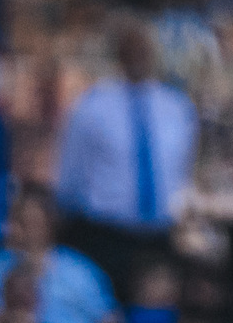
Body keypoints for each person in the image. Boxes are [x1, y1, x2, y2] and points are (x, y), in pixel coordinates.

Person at [53, 17, 199, 290]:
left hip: (158, 237)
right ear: (119, 52)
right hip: (105, 235)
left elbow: (183, 171)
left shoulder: (177, 108)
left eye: (144, 47)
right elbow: (70, 175)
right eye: (131, 47)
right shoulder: (91, 107)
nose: (138, 55)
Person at [0, 191, 115, 323]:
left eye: (23, 222)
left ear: (47, 226)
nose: (11, 229)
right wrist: (10, 321)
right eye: (11, 220)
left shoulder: (79, 272)